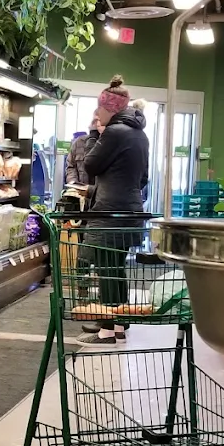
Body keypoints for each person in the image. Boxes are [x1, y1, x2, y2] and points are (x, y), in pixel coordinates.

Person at [78, 76, 149, 346]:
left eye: (100, 108)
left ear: (110, 109)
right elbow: (142, 178)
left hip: (109, 214)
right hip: (130, 212)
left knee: (106, 268)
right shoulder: (140, 134)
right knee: (116, 267)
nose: (97, 113)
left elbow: (90, 165)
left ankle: (107, 329)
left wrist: (93, 135)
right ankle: (119, 322)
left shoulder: (115, 132)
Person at [64, 116, 99, 187]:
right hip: (81, 188)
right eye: (94, 121)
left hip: (100, 190)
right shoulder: (79, 142)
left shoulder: (107, 143)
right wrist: (73, 182)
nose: (95, 124)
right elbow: (71, 166)